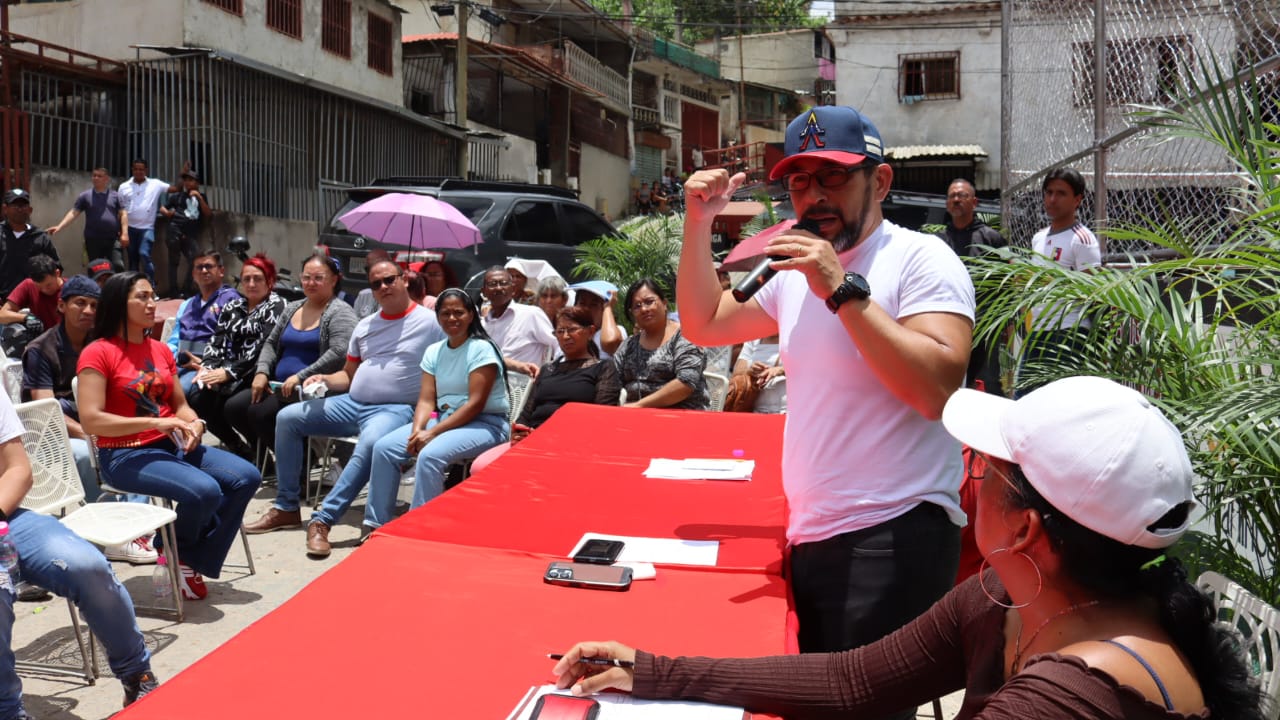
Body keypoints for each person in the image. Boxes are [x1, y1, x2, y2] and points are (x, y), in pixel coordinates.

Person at [551, 377, 1266, 720]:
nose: (966, 479)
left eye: (983, 469)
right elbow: (855, 683)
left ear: (1025, 530)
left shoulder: (1059, 702)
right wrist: (655, 672)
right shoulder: (1011, 598)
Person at [675, 106, 975, 672]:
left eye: (833, 176)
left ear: (879, 180)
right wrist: (698, 223)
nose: (815, 196)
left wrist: (840, 288)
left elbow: (938, 390)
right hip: (814, 531)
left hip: (893, 532)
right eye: (800, 180)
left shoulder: (919, 259)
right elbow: (705, 323)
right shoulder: (792, 272)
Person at [242, 259, 445, 559]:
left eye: (389, 280)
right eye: (376, 284)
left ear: (404, 279)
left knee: (373, 443)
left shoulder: (430, 323)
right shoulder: (366, 325)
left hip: (395, 408)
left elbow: (457, 357)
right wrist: (324, 378)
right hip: (352, 403)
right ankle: (286, 506)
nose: (383, 287)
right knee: (287, 418)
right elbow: (348, 375)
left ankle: (324, 518)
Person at [77, 272, 262, 599]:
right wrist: (156, 425)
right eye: (143, 297)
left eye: (153, 296)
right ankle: (177, 551)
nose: (153, 304)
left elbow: (179, 404)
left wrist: (195, 423)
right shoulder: (98, 352)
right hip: (124, 454)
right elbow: (92, 421)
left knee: (246, 476)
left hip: (170, 444)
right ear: (120, 303)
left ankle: (185, 556)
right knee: (205, 491)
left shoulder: (160, 350)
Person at [0, 391, 161, 717]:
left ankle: (136, 675)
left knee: (87, 566)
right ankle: (7, 711)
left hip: (7, 514)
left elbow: (18, 469)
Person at [364, 289, 510, 530]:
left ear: (471, 315)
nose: (452, 318)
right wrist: (417, 430)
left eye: (458, 313)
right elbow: (425, 400)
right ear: (438, 317)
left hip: (486, 423)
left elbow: (475, 404)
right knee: (384, 448)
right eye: (445, 313)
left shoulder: (482, 349)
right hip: (444, 419)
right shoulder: (434, 350)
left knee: (430, 454)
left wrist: (431, 434)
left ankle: (420, 528)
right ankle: (376, 525)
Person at [226, 254, 356, 462]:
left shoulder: (340, 312)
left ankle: (303, 460)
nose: (311, 283)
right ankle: (266, 461)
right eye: (306, 277)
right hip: (279, 386)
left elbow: (339, 352)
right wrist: (262, 372)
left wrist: (301, 376)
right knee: (234, 407)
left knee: (260, 414)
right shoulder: (293, 307)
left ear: (333, 279)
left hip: (313, 389)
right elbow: (271, 342)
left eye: (318, 278)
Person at [468, 304, 620, 475]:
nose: (565, 336)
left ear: (590, 331)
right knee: (480, 467)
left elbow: (602, 417)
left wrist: (551, 437)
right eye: (560, 331)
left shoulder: (603, 368)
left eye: (572, 329)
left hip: (573, 444)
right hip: (532, 440)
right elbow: (527, 412)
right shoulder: (548, 369)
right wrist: (519, 431)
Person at [186, 253, 286, 457]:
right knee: (198, 398)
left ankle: (261, 453)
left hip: (260, 373)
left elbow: (263, 346)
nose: (251, 284)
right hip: (231, 373)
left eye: (257, 279)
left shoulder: (277, 305)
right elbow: (217, 341)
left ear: (270, 281)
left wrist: (229, 373)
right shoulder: (233, 307)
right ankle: (239, 448)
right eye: (246, 279)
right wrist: (208, 368)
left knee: (233, 407)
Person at [1019, 167, 1102, 398]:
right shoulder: (1039, 237)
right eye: (1049, 192)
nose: (1052, 199)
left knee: (1061, 404)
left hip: (1068, 333)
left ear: (1077, 200)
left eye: (1061, 193)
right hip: (1037, 332)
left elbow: (1094, 292)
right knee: (1026, 400)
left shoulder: (1082, 239)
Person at [939, 178, 1007, 396]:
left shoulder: (992, 238)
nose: (956, 200)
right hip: (949, 323)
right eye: (952, 196)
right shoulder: (938, 241)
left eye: (962, 195)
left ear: (974, 202)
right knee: (951, 381)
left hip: (985, 325)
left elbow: (1007, 280)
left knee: (988, 382)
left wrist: (1004, 321)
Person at [615, 278, 708, 410]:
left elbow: (686, 383)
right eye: (637, 306)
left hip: (682, 416)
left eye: (649, 302)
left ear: (664, 303)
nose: (644, 309)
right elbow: (612, 380)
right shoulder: (629, 344)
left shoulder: (685, 337)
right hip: (634, 416)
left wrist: (639, 405)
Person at [164, 250, 240, 397]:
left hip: (207, 367)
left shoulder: (232, 301)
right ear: (193, 274)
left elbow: (233, 343)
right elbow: (174, 341)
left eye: (209, 266)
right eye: (199, 267)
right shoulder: (187, 304)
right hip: (179, 364)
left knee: (178, 393)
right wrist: (170, 360)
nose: (204, 270)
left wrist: (205, 363)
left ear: (221, 271)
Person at [48, 167, 129, 271]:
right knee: (95, 268)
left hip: (113, 239)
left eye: (99, 176)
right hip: (93, 239)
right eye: (94, 175)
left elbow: (123, 214)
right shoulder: (85, 196)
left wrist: (125, 233)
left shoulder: (116, 196)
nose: (96, 178)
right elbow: (74, 212)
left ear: (106, 179)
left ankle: (116, 287)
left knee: (118, 265)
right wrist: (59, 226)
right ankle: (95, 287)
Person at [480, 267, 556, 376]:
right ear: (484, 292)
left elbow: (557, 345)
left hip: (525, 386)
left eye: (503, 283)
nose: (498, 288)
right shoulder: (482, 324)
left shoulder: (530, 314)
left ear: (513, 289)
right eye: (492, 284)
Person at [117, 160, 177, 285]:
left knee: (144, 254)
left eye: (141, 169)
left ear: (146, 170)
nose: (139, 172)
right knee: (133, 260)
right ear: (132, 170)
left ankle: (151, 286)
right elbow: (121, 210)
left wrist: (183, 173)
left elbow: (175, 189)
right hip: (130, 228)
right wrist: (122, 231)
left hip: (147, 228)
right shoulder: (124, 187)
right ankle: (134, 287)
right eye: (136, 169)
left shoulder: (155, 184)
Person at [158, 169, 211, 298]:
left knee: (195, 259)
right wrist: (166, 213)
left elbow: (208, 214)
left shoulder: (202, 197)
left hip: (190, 235)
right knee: (174, 262)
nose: (187, 183)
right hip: (175, 231)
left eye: (190, 180)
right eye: (185, 180)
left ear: (197, 183)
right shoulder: (177, 196)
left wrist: (198, 197)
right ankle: (173, 291)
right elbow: (162, 207)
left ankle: (186, 289)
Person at [0, 188, 59, 302]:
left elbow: (55, 268)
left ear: (30, 210)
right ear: (5, 209)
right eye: (15, 205)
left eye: (23, 205)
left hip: (34, 301)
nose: (19, 209)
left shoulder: (40, 237)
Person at [0, 254, 64, 331]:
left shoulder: (71, 289)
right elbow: (2, 315)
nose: (44, 290)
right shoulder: (28, 285)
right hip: (41, 340)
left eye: (48, 285)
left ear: (57, 273)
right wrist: (27, 318)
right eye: (39, 287)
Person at [725, 334, 785, 414]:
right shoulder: (753, 339)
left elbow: (806, 367)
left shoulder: (797, 338)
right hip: (755, 411)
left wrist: (781, 370)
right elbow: (737, 374)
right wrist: (750, 371)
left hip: (788, 412)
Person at [569, 281, 625, 359]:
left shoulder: (617, 331)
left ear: (604, 310)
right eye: (582, 303)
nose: (586, 309)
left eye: (593, 305)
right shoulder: (567, 334)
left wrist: (608, 307)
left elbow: (611, 343)